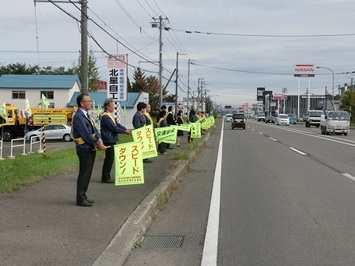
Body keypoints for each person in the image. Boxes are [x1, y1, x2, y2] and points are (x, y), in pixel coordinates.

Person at [72, 93, 106, 207]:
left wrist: (99, 139)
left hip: (89, 148)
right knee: (84, 174)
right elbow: (86, 134)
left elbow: (95, 128)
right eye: (88, 101)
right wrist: (97, 143)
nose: (91, 103)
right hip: (84, 149)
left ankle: (83, 195)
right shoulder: (78, 117)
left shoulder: (86, 115)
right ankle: (80, 198)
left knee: (88, 173)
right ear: (82, 103)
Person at [100, 99, 131, 184]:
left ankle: (106, 176)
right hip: (108, 139)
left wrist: (125, 129)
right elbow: (113, 128)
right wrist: (124, 132)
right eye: (112, 105)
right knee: (109, 159)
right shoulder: (105, 116)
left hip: (111, 139)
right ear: (108, 106)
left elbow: (117, 125)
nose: (114, 107)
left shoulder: (109, 115)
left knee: (110, 158)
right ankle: (105, 177)